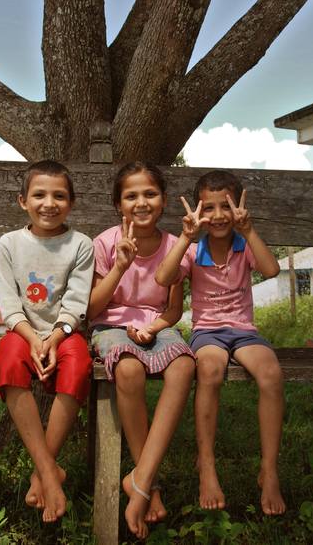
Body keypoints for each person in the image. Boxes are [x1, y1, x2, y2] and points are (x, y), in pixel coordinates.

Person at [155, 169, 286, 516]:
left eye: (225, 206)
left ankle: (269, 469)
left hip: (244, 331)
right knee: (209, 370)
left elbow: (272, 271)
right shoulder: (194, 248)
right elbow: (163, 277)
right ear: (198, 212)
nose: (217, 216)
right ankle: (208, 464)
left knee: (271, 374)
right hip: (207, 332)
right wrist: (184, 237)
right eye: (208, 208)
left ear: (238, 208)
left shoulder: (244, 245)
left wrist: (250, 230)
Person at [88, 161, 196, 539]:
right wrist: (120, 266)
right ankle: (148, 484)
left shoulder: (175, 246)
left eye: (149, 194)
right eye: (131, 195)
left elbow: (173, 310)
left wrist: (152, 327)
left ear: (164, 201)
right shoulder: (104, 243)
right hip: (111, 326)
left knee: (184, 367)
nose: (141, 202)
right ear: (119, 204)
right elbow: (92, 309)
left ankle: (140, 481)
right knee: (129, 370)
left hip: (157, 326)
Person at [0, 160, 94, 523]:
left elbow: (76, 303)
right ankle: (49, 471)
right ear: (22, 201)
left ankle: (40, 471)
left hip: (65, 333)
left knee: (78, 366)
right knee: (10, 362)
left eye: (59, 196)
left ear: (72, 203)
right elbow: (10, 304)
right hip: (21, 332)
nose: (49, 203)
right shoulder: (9, 244)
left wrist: (54, 337)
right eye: (39, 195)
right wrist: (32, 338)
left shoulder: (80, 244)